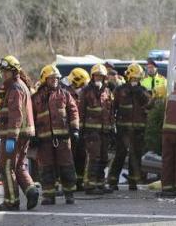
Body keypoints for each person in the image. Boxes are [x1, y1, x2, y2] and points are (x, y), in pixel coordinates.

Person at [0, 55, 39, 211]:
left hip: (14, 135)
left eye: (6, 71)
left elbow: (16, 114)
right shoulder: (18, 86)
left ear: (14, 72)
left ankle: (11, 201)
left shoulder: (15, 88)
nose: (3, 74)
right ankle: (31, 191)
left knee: (5, 167)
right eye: (2, 72)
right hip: (22, 134)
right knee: (18, 166)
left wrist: (11, 137)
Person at [32, 65, 80, 205]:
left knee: (66, 166)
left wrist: (75, 129)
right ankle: (48, 195)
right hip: (44, 139)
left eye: (57, 78)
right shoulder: (36, 98)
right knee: (46, 168)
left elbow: (73, 111)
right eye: (51, 78)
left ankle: (69, 194)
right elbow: (31, 117)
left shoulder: (65, 94)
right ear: (44, 79)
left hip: (63, 138)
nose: (54, 81)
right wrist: (32, 135)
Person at [108, 63, 150, 191]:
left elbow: (149, 106)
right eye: (133, 79)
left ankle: (133, 182)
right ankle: (112, 181)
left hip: (138, 129)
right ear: (128, 77)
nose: (135, 81)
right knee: (120, 155)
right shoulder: (119, 90)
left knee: (135, 156)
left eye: (137, 79)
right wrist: (112, 126)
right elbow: (112, 108)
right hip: (123, 129)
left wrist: (142, 94)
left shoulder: (143, 91)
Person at [79, 64, 114, 195]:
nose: (99, 78)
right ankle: (90, 184)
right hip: (91, 131)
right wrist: (80, 129)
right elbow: (81, 111)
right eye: (96, 75)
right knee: (94, 157)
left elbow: (110, 111)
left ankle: (100, 183)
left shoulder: (107, 91)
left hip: (105, 131)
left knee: (104, 158)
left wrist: (112, 127)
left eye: (101, 76)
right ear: (92, 77)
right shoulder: (86, 91)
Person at [64, 67, 90, 191]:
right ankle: (69, 184)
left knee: (81, 156)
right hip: (69, 130)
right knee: (69, 158)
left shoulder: (82, 94)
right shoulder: (66, 93)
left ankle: (79, 182)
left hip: (81, 130)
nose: (84, 87)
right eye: (83, 84)